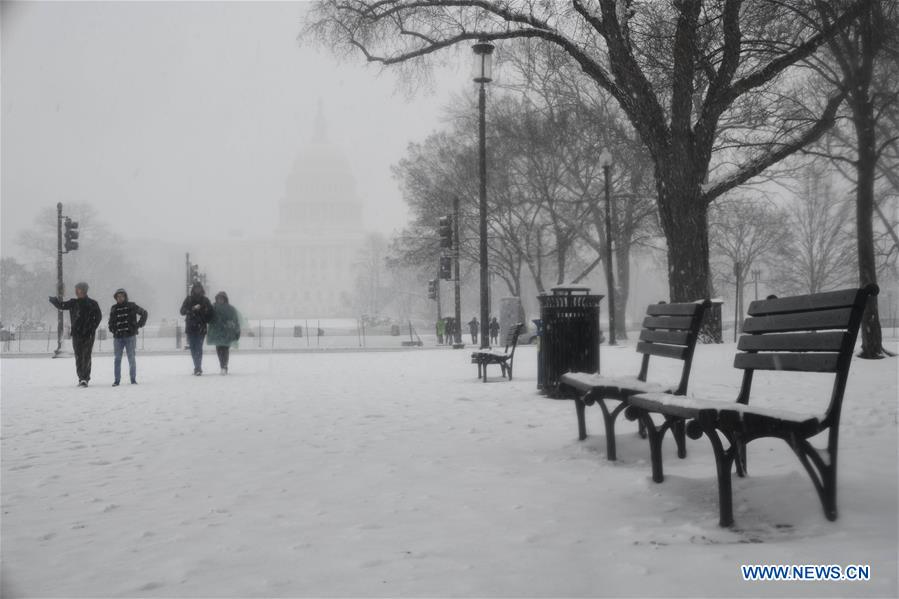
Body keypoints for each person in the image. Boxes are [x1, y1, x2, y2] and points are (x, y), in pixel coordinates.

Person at [49, 282, 102, 387]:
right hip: (77, 334)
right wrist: (54, 301)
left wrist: (92, 328)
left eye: (79, 289)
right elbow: (62, 305)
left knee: (86, 356)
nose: (77, 291)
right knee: (78, 356)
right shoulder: (73, 303)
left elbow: (98, 317)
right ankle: (81, 378)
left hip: (88, 334)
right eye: (76, 289)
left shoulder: (93, 303)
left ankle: (85, 378)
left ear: (84, 290)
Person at [108, 288, 148, 386]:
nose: (120, 298)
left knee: (131, 358)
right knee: (117, 359)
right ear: (116, 298)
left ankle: (133, 379)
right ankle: (117, 380)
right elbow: (111, 322)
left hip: (130, 337)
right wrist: (113, 329)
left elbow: (144, 313)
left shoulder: (132, 306)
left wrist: (138, 325)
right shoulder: (113, 308)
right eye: (118, 296)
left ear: (125, 296)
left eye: (122, 296)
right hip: (118, 338)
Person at [180, 282, 214, 375]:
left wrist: (204, 315)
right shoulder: (189, 299)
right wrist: (191, 309)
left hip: (201, 327)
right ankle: (197, 366)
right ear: (193, 289)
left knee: (198, 348)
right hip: (191, 327)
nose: (197, 290)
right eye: (196, 288)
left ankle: (198, 368)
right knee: (193, 348)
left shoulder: (205, 300)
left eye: (199, 288)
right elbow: (182, 311)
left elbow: (211, 313)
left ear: (201, 289)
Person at [206, 291, 241, 375]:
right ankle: (223, 366)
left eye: (221, 298)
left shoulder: (230, 309)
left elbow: (235, 320)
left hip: (226, 333)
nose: (220, 300)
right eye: (219, 298)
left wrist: (235, 330)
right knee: (219, 350)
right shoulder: (213, 307)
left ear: (225, 299)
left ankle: (224, 366)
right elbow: (208, 317)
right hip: (217, 333)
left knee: (225, 350)